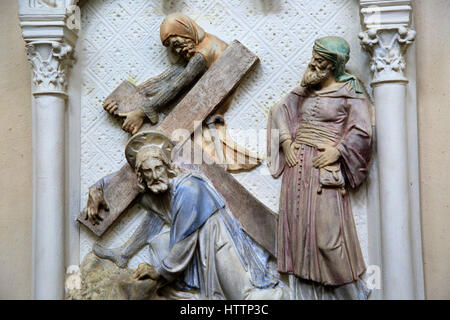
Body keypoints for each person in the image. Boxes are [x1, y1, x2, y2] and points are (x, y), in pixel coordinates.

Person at [87, 130, 289, 300]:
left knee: (243, 297)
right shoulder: (157, 190)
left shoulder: (189, 187)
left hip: (217, 243)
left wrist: (159, 272)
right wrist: (97, 188)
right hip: (194, 249)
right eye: (148, 171)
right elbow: (122, 182)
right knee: (158, 244)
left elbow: (184, 240)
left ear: (168, 167)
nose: (155, 175)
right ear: (141, 175)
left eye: (158, 168)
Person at [267, 36, 373, 299]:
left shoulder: (351, 92)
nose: (313, 66)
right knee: (299, 237)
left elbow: (363, 131)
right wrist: (285, 141)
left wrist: (339, 151)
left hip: (323, 173)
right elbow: (277, 111)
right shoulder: (305, 91)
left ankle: (352, 295)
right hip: (296, 170)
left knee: (328, 239)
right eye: (313, 60)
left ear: (333, 67)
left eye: (320, 63)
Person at [103, 13, 261, 171]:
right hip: (197, 114)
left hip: (202, 115)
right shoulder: (200, 45)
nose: (177, 51)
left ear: (185, 32)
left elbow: (176, 86)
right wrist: (125, 98)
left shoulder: (201, 55)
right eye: (173, 48)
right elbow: (168, 77)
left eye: (177, 44)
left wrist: (143, 112)